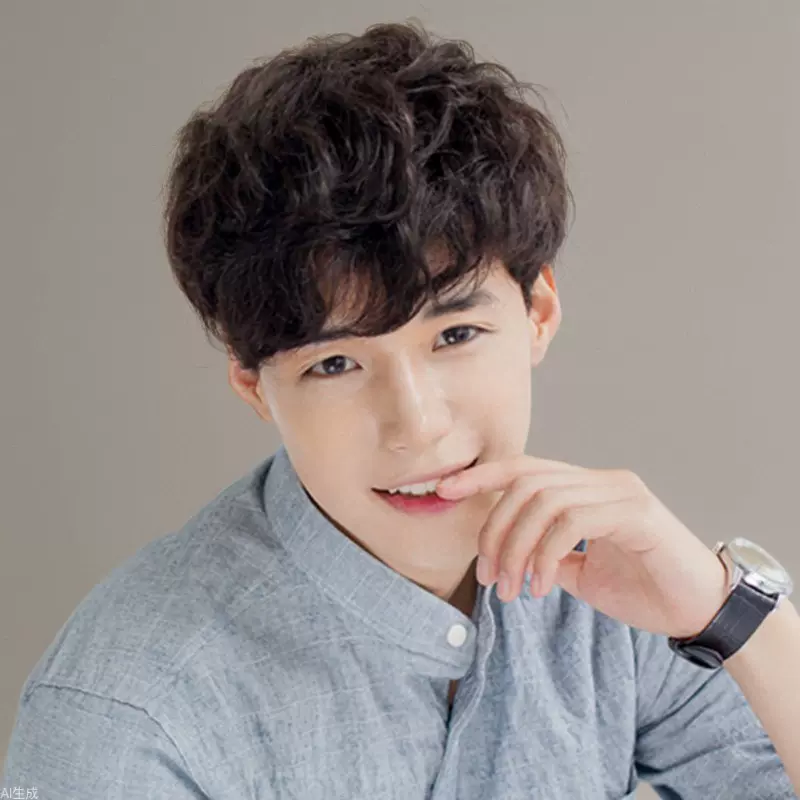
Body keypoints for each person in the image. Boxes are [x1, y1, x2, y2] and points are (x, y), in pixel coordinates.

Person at [3, 20, 798, 800]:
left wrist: (728, 613)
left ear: (539, 313)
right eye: (336, 363)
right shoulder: (132, 708)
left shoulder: (607, 582)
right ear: (252, 384)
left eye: (455, 335)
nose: (416, 425)